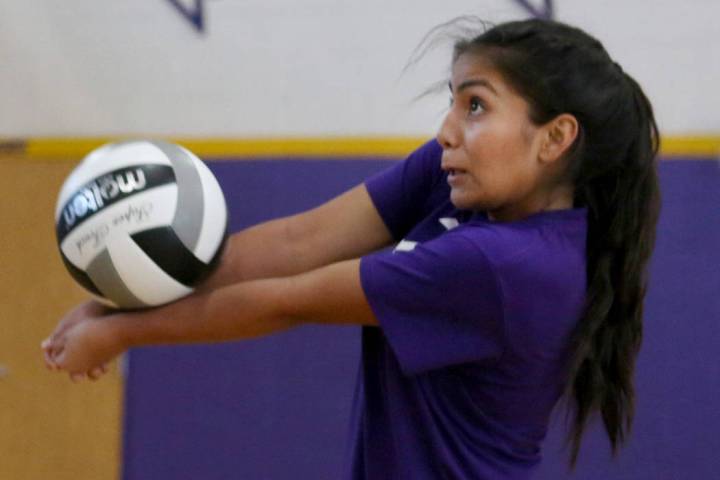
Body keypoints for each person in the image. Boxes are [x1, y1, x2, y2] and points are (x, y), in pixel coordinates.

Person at [42, 18, 660, 479]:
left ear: (555, 138)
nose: (447, 128)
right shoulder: (460, 178)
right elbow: (300, 241)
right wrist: (119, 300)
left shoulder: (505, 268)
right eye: (451, 101)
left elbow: (288, 301)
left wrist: (122, 332)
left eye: (476, 106)